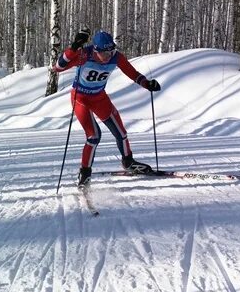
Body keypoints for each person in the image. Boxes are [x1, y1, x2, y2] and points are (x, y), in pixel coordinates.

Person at [53, 28, 161, 186]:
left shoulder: (116, 57)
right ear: (96, 50)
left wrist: (147, 83)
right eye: (104, 53)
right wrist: (74, 48)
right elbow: (58, 67)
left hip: (99, 97)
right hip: (81, 99)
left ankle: (128, 162)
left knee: (121, 133)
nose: (108, 57)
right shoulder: (84, 55)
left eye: (111, 52)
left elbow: (132, 72)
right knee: (94, 136)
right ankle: (85, 173)